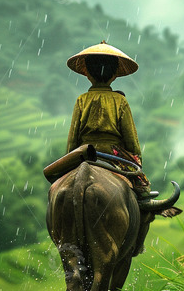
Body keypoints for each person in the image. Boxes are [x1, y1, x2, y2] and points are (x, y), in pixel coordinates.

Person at [65, 41, 154, 198]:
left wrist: (69, 159)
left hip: (84, 155)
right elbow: (131, 141)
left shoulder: (81, 100)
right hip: (114, 158)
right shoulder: (120, 101)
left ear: (87, 74)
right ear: (114, 75)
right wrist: (136, 159)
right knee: (142, 193)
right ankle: (144, 201)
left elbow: (73, 140)